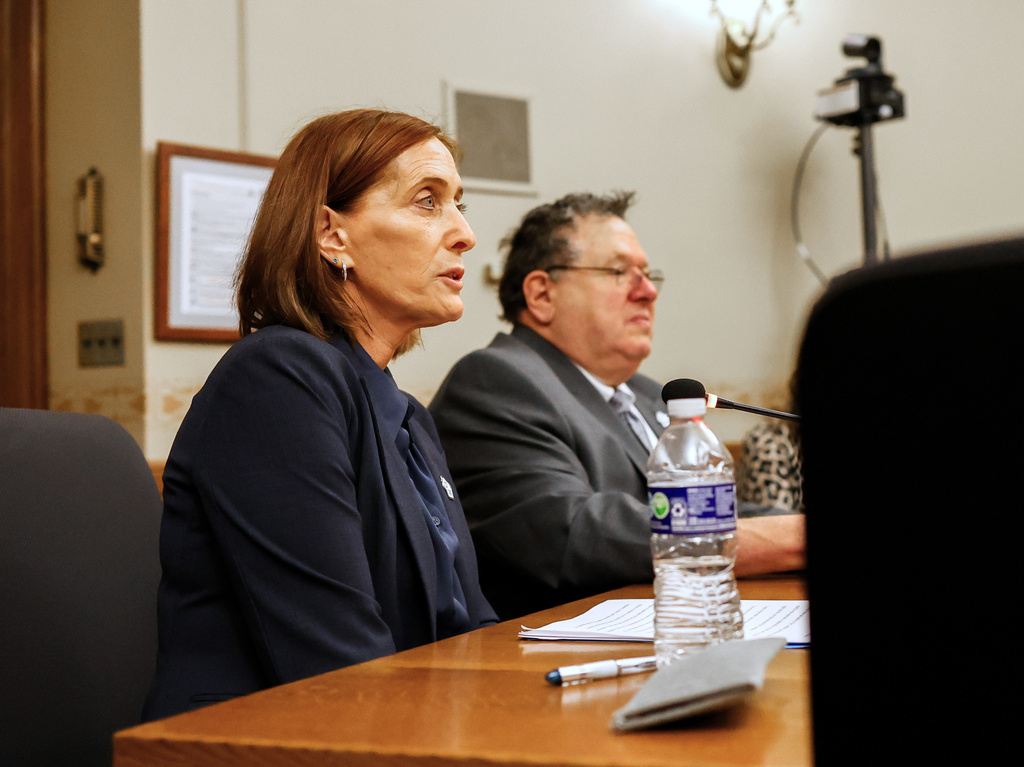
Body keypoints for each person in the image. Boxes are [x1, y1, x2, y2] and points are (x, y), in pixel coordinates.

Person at [143, 109, 497, 721]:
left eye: (460, 205)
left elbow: (473, 626)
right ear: (332, 235)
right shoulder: (277, 378)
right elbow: (340, 667)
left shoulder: (408, 416)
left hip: (404, 725)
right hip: (262, 745)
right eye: (426, 202)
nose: (464, 233)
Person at [429, 192, 806, 619]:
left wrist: (792, 525)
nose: (647, 292)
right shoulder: (495, 381)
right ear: (541, 295)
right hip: (544, 659)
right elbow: (578, 532)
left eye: (648, 275)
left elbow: (712, 507)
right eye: (619, 272)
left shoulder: (647, 394)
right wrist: (794, 539)